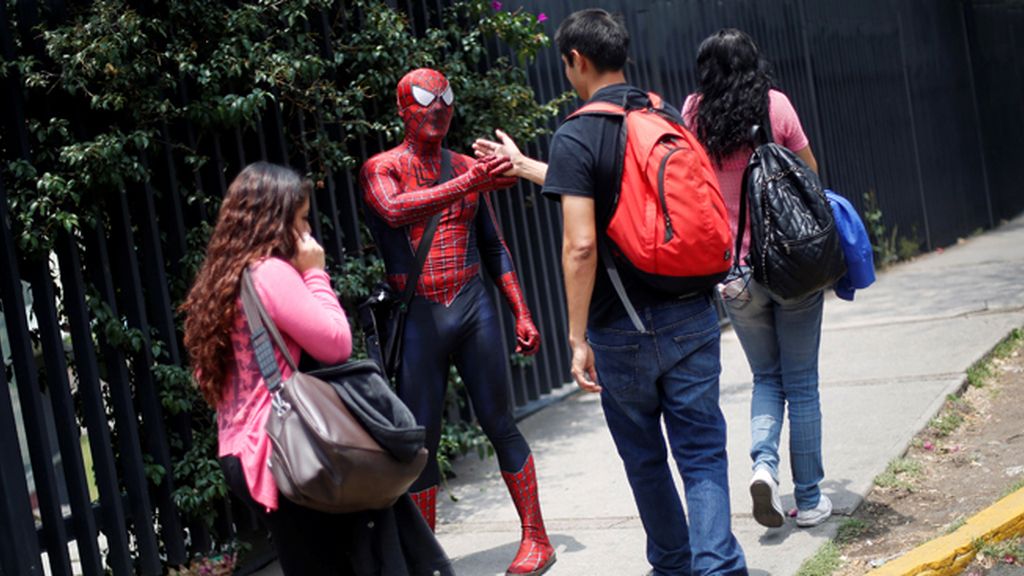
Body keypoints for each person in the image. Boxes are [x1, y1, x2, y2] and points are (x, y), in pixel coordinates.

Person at [478, 10, 748, 576]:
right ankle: (719, 567)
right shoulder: (661, 113)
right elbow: (622, 186)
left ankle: (674, 565)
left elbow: (581, 245)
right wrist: (528, 167)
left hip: (621, 328)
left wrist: (576, 339)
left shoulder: (576, 133)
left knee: (645, 457)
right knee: (701, 452)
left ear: (576, 60)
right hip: (694, 313)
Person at [181, 162, 452, 575]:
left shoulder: (219, 281)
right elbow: (335, 344)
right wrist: (314, 274)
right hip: (289, 446)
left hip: (239, 451)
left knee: (306, 561)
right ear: (276, 222)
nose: (308, 232)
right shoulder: (269, 273)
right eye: (302, 220)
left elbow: (208, 378)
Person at [359, 68, 555, 576]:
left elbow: (493, 244)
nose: (439, 107)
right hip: (419, 314)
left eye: (445, 97)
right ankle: (424, 560)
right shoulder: (383, 168)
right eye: (426, 98)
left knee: (500, 421)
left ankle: (537, 537)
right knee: (420, 442)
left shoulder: (468, 165)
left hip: (472, 305)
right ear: (404, 108)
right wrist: (468, 180)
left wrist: (522, 310)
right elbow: (395, 211)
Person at [682, 28, 832, 529]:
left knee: (766, 378)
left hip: (734, 273)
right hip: (789, 266)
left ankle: (764, 467)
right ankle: (809, 500)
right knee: (802, 383)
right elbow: (810, 177)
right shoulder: (776, 106)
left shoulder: (693, 114)